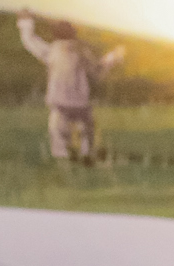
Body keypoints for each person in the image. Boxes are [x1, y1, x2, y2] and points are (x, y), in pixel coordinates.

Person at [16, 11, 125, 162]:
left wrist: (25, 22)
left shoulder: (52, 51)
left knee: (58, 132)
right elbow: (97, 71)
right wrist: (114, 57)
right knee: (86, 130)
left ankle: (64, 156)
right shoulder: (81, 51)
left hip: (59, 100)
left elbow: (30, 41)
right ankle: (86, 154)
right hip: (79, 100)